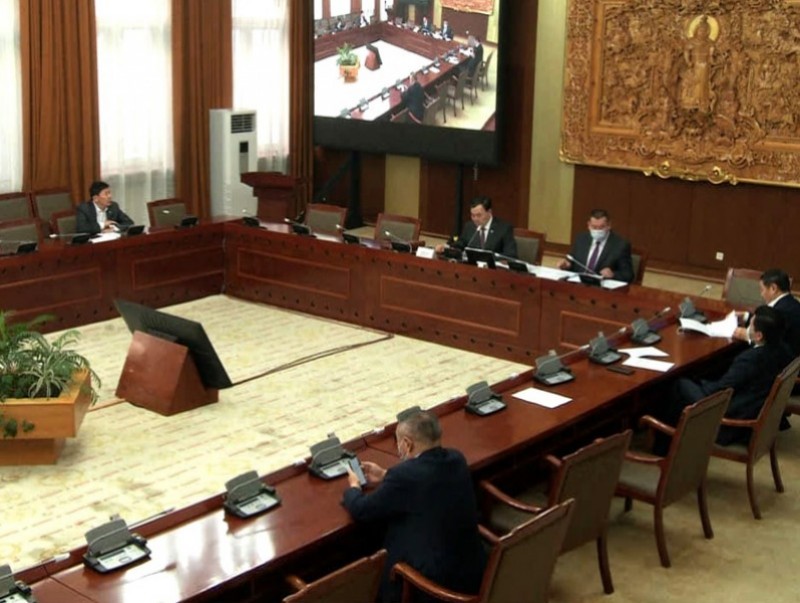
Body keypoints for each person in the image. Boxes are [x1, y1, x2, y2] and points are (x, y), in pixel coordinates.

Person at [342, 410, 486, 603]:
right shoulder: (457, 459)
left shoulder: (404, 476)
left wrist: (353, 487)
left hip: (434, 586)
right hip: (473, 572)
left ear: (407, 444)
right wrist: (385, 475)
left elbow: (362, 510)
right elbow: (426, 481)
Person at [653, 306, 793, 452]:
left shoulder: (750, 360)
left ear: (759, 336)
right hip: (752, 408)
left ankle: (663, 447)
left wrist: (700, 382)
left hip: (730, 421)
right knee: (697, 379)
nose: (747, 329)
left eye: (750, 326)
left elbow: (719, 390)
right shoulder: (783, 350)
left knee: (679, 384)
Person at [733, 268, 800, 356]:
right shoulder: (792, 303)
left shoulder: (781, 311)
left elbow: (769, 342)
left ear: (773, 288)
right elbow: (767, 321)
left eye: (762, 290)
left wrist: (748, 335)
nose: (761, 294)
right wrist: (746, 316)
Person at [557, 208, 634, 282]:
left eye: (601, 227)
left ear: (609, 225)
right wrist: (566, 265)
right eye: (594, 227)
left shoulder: (620, 245)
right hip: (579, 283)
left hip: (601, 287)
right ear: (588, 225)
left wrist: (613, 274)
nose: (597, 230)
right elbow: (572, 261)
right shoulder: (581, 239)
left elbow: (628, 275)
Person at [435, 196, 517, 258]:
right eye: (473, 215)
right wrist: (446, 247)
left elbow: (511, 255)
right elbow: (461, 244)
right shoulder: (469, 226)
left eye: (479, 215)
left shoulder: (504, 229)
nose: (475, 219)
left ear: (489, 212)